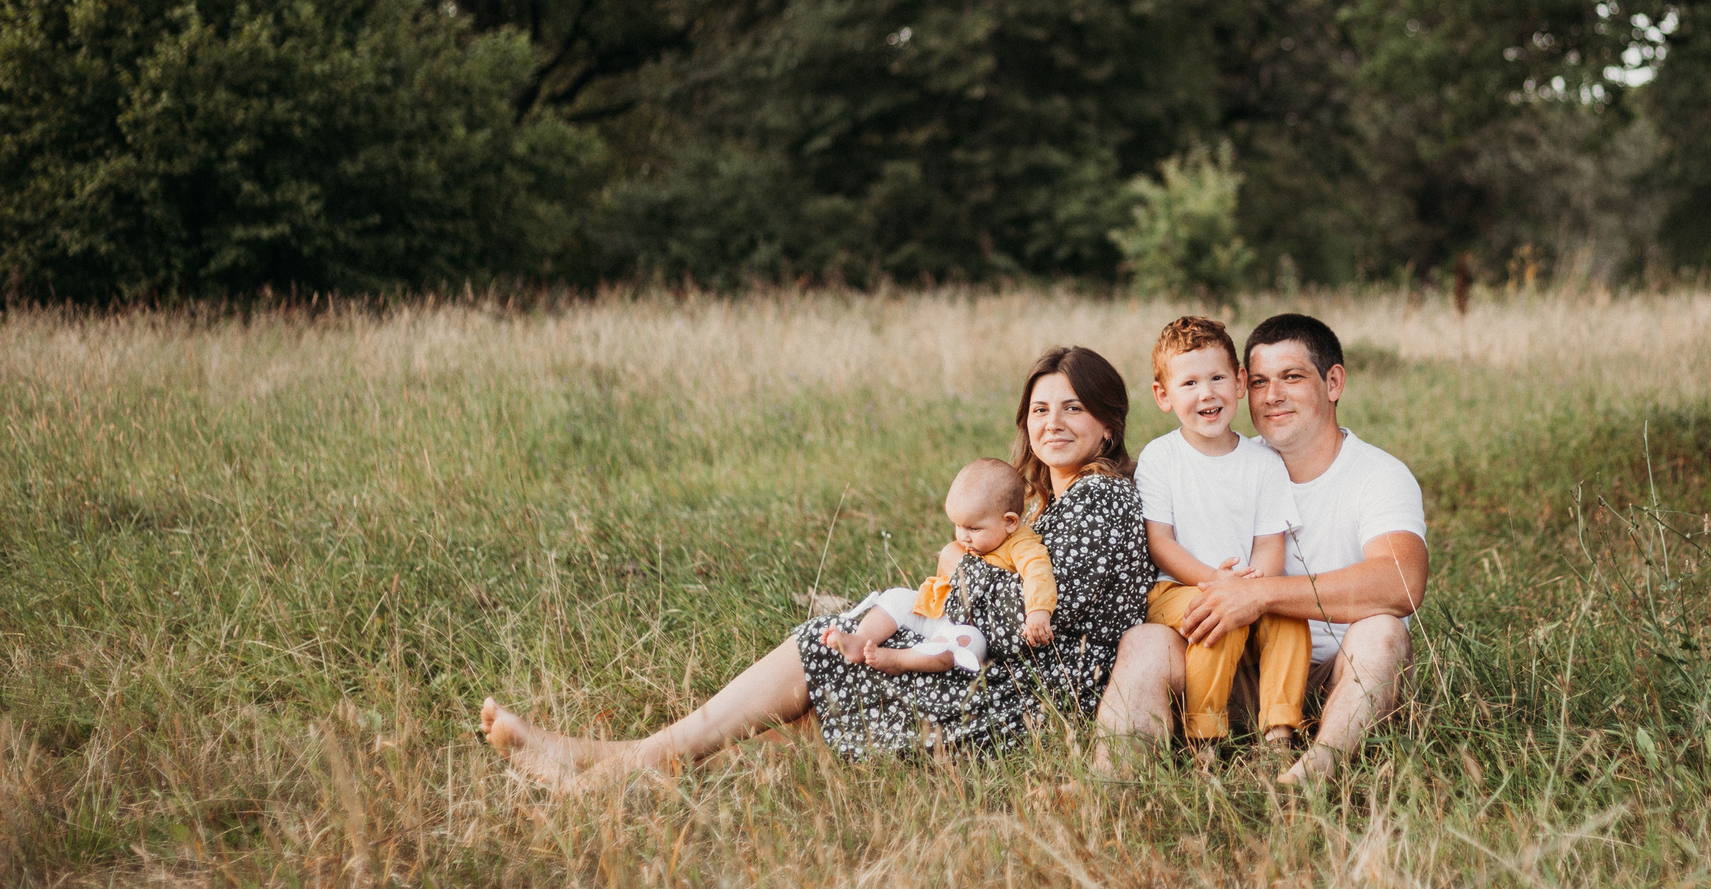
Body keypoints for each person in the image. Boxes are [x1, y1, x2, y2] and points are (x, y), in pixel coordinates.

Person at [480, 347, 1152, 784]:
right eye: (1040, 407)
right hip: (1006, 678)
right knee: (833, 658)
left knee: (823, 651)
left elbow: (1028, 623)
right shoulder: (1050, 501)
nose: (1052, 420)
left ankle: (612, 767)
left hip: (1035, 701)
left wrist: (955, 563)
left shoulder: (1100, 498)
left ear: (1108, 424)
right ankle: (611, 767)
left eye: (1072, 406)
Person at [1096, 312, 1429, 785]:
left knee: (1382, 632)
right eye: (1260, 381)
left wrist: (1261, 594)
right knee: (1146, 641)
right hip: (1227, 667)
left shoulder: (1378, 475)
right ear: (1243, 387)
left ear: (1333, 382)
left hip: (1334, 681)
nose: (1272, 395)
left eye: (1292, 377)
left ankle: (1313, 773)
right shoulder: (1231, 458)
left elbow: (1401, 582)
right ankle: (1113, 782)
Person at [1135, 315, 1310, 750]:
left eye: (1217, 378)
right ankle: (1204, 737)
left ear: (1239, 382)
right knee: (1217, 619)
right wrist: (1217, 584)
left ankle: (1279, 730)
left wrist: (1250, 589)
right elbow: (1161, 543)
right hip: (1177, 588)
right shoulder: (1161, 458)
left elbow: (1270, 545)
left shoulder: (1264, 463)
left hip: (1247, 586)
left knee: (1292, 619)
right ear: (1163, 395)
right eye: (1189, 383)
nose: (1207, 393)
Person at [824, 457, 1055, 674]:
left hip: (968, 627)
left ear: (1010, 522)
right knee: (897, 597)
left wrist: (1038, 611)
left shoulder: (1021, 544)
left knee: (964, 644)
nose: (963, 537)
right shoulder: (979, 541)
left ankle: (899, 660)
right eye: (958, 526)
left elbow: (1038, 571)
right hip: (938, 614)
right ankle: (860, 639)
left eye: (974, 529)